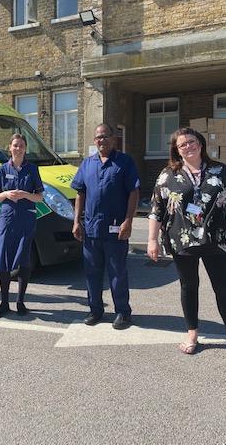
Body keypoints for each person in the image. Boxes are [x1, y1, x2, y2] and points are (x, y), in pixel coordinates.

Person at [147, 127, 226, 359]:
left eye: (192, 141)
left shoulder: (223, 172)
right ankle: (192, 333)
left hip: (216, 240)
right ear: (176, 150)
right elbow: (156, 210)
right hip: (181, 241)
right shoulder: (168, 175)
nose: (188, 146)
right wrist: (151, 240)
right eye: (182, 144)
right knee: (189, 287)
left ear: (201, 143)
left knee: (224, 288)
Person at [71, 123, 140, 330]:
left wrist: (129, 220)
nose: (101, 140)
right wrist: (76, 221)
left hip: (116, 229)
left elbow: (134, 193)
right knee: (92, 272)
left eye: (105, 136)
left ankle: (122, 312)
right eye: (98, 137)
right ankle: (95, 310)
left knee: (117, 272)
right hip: (91, 229)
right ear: (95, 141)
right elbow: (80, 193)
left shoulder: (125, 162)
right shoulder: (87, 164)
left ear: (114, 138)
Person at [0, 133, 44, 318]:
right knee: (2, 261)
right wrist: (6, 194)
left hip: (25, 220)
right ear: (10, 148)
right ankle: (4, 303)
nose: (18, 149)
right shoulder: (2, 170)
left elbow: (39, 197)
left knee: (23, 262)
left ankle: (20, 302)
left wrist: (24, 194)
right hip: (7, 219)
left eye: (21, 146)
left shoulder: (32, 170)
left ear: (25, 149)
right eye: (15, 145)